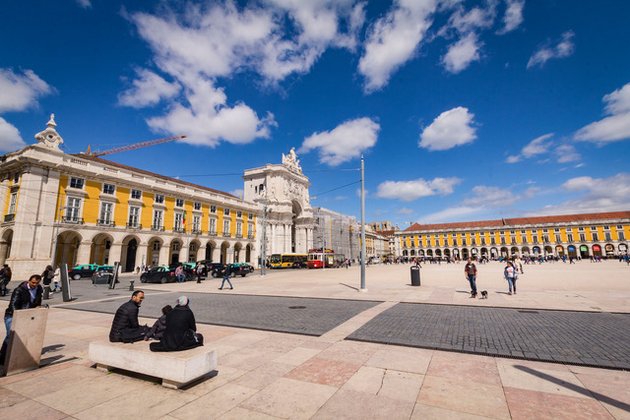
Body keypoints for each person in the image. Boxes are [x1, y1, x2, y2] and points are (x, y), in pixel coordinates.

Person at [1, 274, 44, 364]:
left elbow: (38, 300)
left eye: (37, 283)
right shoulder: (19, 290)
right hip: (12, 315)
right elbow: (13, 305)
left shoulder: (39, 288)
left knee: (24, 336)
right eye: (33, 282)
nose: (35, 285)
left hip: (27, 316)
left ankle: (17, 354)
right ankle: (2, 357)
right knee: (11, 335)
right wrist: (19, 317)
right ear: (28, 281)